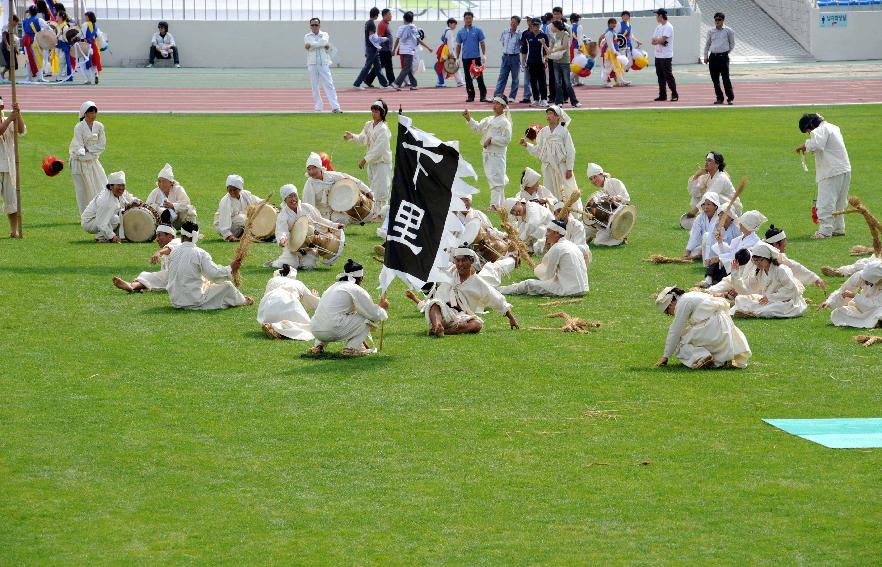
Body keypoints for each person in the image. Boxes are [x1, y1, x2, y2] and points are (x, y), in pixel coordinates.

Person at [408, 246, 519, 337]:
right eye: (457, 260)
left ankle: (442, 331)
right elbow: (432, 261)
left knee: (477, 324)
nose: (460, 264)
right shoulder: (449, 270)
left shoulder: (478, 282)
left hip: (461, 317)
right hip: (443, 311)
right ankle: (437, 325)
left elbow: (496, 299)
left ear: (471, 261)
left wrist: (512, 318)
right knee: (435, 304)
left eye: (463, 260)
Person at [655, 286, 751, 369]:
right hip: (723, 327)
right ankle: (721, 359)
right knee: (688, 333)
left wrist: (666, 356)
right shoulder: (692, 295)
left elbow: (675, 330)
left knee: (679, 342)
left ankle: (701, 357)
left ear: (670, 304)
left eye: (667, 312)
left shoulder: (683, 302)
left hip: (712, 327)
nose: (670, 315)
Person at [308, 259, 389, 357]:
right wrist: (382, 309)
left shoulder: (332, 287)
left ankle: (319, 346)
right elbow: (372, 314)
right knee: (367, 320)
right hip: (332, 329)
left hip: (315, 329)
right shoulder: (356, 289)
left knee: (327, 316)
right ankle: (350, 348)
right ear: (360, 278)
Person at [166, 221, 252, 310]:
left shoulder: (174, 252)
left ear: (182, 237)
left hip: (175, 300)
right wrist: (230, 268)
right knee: (227, 286)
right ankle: (242, 300)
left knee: (206, 281)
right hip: (193, 300)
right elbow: (214, 275)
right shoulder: (200, 253)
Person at [796, 113, 851, 239]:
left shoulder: (820, 130)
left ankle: (825, 231)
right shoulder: (833, 127)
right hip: (844, 168)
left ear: (811, 125)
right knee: (840, 201)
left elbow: (817, 144)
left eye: (808, 130)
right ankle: (839, 228)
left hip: (831, 171)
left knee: (826, 202)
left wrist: (805, 146)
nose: (809, 133)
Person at [500, 220, 588, 296]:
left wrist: (538, 269)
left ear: (557, 233)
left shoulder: (557, 248)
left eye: (549, 231)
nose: (546, 234)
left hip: (570, 290)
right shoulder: (572, 245)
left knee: (528, 283)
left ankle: (499, 290)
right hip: (583, 288)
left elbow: (548, 276)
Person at [519, 106, 579, 209]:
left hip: (561, 168)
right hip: (547, 168)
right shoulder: (543, 132)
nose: (548, 116)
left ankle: (569, 214)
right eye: (548, 113)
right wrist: (527, 145)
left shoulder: (563, 132)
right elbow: (539, 150)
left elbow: (570, 151)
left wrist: (569, 168)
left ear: (557, 117)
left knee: (565, 192)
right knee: (550, 193)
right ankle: (553, 214)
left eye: (551, 113)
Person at [729, 242, 807, 319]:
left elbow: (793, 290)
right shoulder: (759, 272)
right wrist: (735, 274)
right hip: (768, 300)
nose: (757, 263)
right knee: (740, 299)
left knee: (768, 310)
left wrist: (770, 297)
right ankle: (752, 311)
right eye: (755, 260)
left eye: (760, 260)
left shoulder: (781, 270)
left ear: (767, 258)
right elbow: (746, 290)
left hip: (787, 302)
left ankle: (752, 312)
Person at [270, 183, 337, 269]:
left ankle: (303, 259)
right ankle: (274, 263)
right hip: (291, 245)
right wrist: (282, 239)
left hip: (308, 244)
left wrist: (335, 225)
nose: (293, 199)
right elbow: (282, 231)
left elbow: (319, 220)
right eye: (290, 196)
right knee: (291, 265)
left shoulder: (306, 208)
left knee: (309, 265)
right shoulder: (283, 215)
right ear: (284, 199)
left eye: (295, 195)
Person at [463, 96, 512, 211]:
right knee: (494, 179)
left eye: (498, 103)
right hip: (487, 154)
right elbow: (477, 128)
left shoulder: (505, 122)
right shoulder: (490, 119)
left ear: (503, 107)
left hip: (497, 155)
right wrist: (469, 119)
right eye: (494, 103)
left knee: (496, 180)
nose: (494, 105)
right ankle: (501, 204)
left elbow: (506, 139)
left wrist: (491, 140)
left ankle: (494, 205)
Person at [344, 100, 392, 216]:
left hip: (382, 162)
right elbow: (363, 139)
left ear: (382, 113)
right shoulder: (368, 125)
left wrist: (365, 159)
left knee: (382, 188)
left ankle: (382, 214)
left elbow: (379, 149)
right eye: (373, 110)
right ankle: (374, 212)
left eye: (376, 111)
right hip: (372, 162)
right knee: (373, 186)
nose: (373, 113)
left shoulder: (383, 130)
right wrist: (352, 136)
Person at [302, 152, 372, 225]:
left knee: (343, 219)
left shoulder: (331, 176)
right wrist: (313, 222)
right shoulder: (309, 184)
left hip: (335, 211)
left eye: (314, 168)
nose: (311, 171)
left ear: (319, 167)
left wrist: (367, 190)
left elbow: (351, 179)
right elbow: (308, 207)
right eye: (309, 169)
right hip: (320, 215)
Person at [258, 264, 321, 340]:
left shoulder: (272, 280)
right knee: (308, 328)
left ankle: (272, 325)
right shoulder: (298, 283)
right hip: (288, 302)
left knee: (285, 319)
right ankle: (276, 326)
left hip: (268, 310)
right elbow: (315, 304)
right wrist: (316, 297)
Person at [112, 224, 180, 293]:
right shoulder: (166, 252)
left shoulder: (177, 241)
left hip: (180, 278)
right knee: (150, 276)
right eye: (156, 236)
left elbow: (170, 248)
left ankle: (133, 286)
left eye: (159, 235)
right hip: (174, 278)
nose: (157, 239)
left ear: (169, 236)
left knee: (156, 276)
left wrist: (159, 252)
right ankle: (132, 286)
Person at [69, 101, 107, 215]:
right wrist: (84, 150)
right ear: (85, 114)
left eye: (95, 111)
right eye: (91, 111)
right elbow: (79, 147)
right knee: (82, 190)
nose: (94, 114)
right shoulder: (79, 127)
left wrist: (88, 149)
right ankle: (84, 215)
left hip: (93, 161)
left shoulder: (99, 126)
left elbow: (101, 145)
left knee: (101, 183)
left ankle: (100, 211)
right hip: (78, 163)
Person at [819, 261, 882, 328]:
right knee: (838, 313)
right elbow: (843, 290)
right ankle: (874, 322)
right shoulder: (860, 276)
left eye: (869, 283)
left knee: (879, 312)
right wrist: (829, 302)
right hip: (863, 308)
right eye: (865, 281)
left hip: (876, 308)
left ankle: (876, 321)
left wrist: (855, 296)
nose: (866, 283)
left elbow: (875, 304)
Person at [764, 225, 826, 289]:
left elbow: (794, 266)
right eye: (784, 243)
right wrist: (815, 279)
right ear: (775, 244)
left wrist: (814, 278)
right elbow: (793, 266)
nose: (786, 244)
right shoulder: (767, 256)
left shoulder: (771, 253)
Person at [80, 171, 137, 242]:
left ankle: (109, 235)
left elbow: (130, 198)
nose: (121, 188)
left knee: (118, 216)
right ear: (111, 186)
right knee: (115, 219)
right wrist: (112, 237)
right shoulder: (106, 201)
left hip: (100, 219)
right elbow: (101, 223)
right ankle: (101, 237)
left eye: (123, 185)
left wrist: (138, 202)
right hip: (90, 222)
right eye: (119, 185)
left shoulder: (121, 192)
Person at [584, 162, 631, 247]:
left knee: (598, 242)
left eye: (595, 177)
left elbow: (626, 198)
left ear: (601, 174)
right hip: (606, 221)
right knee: (583, 229)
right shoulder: (600, 192)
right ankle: (593, 234)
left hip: (618, 218)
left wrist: (615, 198)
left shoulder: (614, 182)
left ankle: (620, 239)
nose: (593, 181)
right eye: (591, 179)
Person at [684, 192, 738, 262]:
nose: (705, 207)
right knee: (694, 251)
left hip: (721, 246)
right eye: (703, 204)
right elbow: (695, 234)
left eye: (708, 204)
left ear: (715, 206)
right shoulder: (700, 217)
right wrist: (688, 251)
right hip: (707, 245)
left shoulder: (720, 219)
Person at [685, 152, 741, 220]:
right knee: (698, 195)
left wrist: (691, 214)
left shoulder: (721, 177)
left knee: (710, 197)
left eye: (709, 161)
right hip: (720, 209)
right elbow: (694, 193)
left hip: (732, 209)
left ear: (717, 164)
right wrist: (696, 176)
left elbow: (709, 197)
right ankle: (704, 219)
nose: (706, 163)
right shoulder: (706, 176)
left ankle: (704, 219)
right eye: (706, 160)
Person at [712, 209, 767, 277]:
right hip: (732, 263)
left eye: (743, 223)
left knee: (724, 262)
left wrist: (720, 258)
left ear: (749, 227)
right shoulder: (737, 240)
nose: (739, 224)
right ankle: (708, 279)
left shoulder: (754, 241)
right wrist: (720, 242)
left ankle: (713, 281)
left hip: (742, 269)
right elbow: (730, 253)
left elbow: (738, 257)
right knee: (717, 263)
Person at [0, 99, 26, 238]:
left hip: (9, 167)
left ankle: (14, 231)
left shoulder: (8, 120)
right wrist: (10, 118)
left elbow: (21, 130)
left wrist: (18, 114)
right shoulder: (8, 120)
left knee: (12, 202)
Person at [305, 18, 341, 113]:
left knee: (329, 84)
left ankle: (335, 107)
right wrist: (321, 44)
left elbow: (323, 42)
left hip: (324, 63)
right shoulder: (307, 36)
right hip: (312, 64)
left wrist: (312, 45)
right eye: (312, 25)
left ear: (319, 26)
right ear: (310, 26)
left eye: (316, 25)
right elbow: (322, 43)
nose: (314, 27)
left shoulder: (325, 34)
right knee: (314, 86)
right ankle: (318, 107)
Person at [213, 174, 260, 241]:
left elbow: (257, 201)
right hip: (223, 225)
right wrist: (229, 236)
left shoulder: (245, 194)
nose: (232, 192)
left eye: (234, 190)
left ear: (240, 189)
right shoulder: (226, 201)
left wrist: (268, 204)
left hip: (237, 223)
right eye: (230, 190)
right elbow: (224, 219)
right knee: (243, 218)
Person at [455, 11, 487, 102]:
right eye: (466, 18)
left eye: (470, 18)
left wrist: (484, 55)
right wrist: (457, 58)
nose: (468, 20)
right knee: (468, 78)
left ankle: (483, 96)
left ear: (472, 19)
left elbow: (482, 43)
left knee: (479, 77)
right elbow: (458, 45)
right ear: (464, 19)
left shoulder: (478, 30)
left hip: (476, 58)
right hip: (465, 59)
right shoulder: (461, 32)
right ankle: (470, 96)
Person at [353, 8, 388, 89]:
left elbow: (367, 38)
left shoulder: (367, 23)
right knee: (367, 67)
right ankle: (357, 83)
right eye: (378, 14)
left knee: (378, 66)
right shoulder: (371, 24)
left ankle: (384, 84)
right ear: (376, 15)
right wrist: (383, 39)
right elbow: (372, 38)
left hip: (371, 49)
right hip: (372, 49)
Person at [547, 20, 580, 107]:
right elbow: (550, 49)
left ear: (556, 27)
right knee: (557, 83)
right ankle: (559, 102)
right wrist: (543, 44)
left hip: (564, 61)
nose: (551, 28)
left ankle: (575, 102)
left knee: (567, 83)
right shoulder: (553, 36)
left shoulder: (565, 34)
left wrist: (553, 50)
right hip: (556, 61)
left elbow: (564, 46)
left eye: (552, 26)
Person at [704, 13, 734, 105]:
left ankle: (730, 98)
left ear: (723, 20)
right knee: (715, 80)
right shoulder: (711, 31)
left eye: (719, 19)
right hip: (713, 57)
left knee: (725, 79)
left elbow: (732, 44)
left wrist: (725, 53)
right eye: (716, 19)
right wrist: (705, 56)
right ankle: (719, 98)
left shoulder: (728, 31)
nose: (717, 21)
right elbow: (707, 44)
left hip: (723, 57)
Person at [520, 18, 548, 107]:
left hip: (540, 62)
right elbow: (524, 50)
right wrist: (523, 63)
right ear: (531, 25)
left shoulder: (544, 36)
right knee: (532, 81)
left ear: (540, 25)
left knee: (542, 81)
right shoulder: (527, 35)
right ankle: (535, 99)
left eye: (537, 25)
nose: (536, 27)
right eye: (534, 25)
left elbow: (547, 50)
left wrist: (545, 60)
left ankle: (543, 99)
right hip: (530, 62)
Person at [651, 8, 678, 102]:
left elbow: (662, 40)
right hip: (658, 55)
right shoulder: (658, 27)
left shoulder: (668, 26)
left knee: (668, 75)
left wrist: (660, 41)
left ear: (661, 16)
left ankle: (674, 94)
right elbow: (653, 41)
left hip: (666, 56)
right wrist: (661, 41)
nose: (656, 17)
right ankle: (662, 95)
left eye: (657, 15)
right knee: (660, 76)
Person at [494, 16, 522, 101]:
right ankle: (497, 96)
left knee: (515, 78)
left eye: (515, 22)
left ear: (518, 24)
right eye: (512, 21)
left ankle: (512, 97)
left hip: (515, 57)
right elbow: (503, 43)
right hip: (505, 57)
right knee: (502, 77)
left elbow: (521, 45)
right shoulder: (505, 32)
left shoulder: (520, 34)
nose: (513, 23)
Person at [435, 17, 465, 88]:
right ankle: (460, 81)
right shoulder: (449, 31)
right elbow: (450, 43)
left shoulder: (445, 30)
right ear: (450, 24)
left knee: (444, 67)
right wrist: (452, 54)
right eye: (454, 24)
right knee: (454, 66)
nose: (455, 26)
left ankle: (440, 82)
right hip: (448, 51)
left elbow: (443, 39)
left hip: (444, 51)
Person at [600, 18, 628, 88]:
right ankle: (605, 82)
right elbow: (610, 44)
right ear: (608, 24)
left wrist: (616, 51)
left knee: (617, 67)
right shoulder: (609, 32)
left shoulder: (613, 32)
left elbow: (610, 42)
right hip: (610, 52)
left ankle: (622, 81)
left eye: (614, 23)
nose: (613, 24)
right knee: (608, 68)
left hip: (613, 51)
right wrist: (615, 52)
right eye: (612, 23)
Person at [21, 6, 46, 82]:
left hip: (27, 41)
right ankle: (40, 77)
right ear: (37, 12)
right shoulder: (39, 20)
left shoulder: (24, 21)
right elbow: (47, 29)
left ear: (29, 12)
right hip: (36, 42)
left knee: (28, 60)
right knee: (39, 59)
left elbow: (23, 33)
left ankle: (29, 77)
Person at [372, 9, 396, 86]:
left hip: (386, 49)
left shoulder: (386, 24)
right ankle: (392, 81)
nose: (391, 16)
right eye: (389, 14)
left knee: (379, 66)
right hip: (384, 50)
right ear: (385, 15)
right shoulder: (382, 24)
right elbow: (380, 38)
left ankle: (368, 79)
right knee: (389, 67)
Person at [53, 5, 77, 81]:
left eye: (57, 15)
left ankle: (62, 77)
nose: (56, 17)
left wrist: (59, 36)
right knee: (60, 61)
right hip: (58, 45)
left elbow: (66, 38)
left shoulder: (65, 26)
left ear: (60, 17)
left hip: (64, 46)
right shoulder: (58, 25)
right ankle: (61, 76)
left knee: (62, 61)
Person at [83, 11, 102, 84]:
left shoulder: (85, 24)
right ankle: (96, 74)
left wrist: (75, 37)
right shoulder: (95, 26)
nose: (85, 17)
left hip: (87, 45)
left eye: (86, 16)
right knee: (94, 62)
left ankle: (88, 79)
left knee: (86, 62)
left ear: (88, 17)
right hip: (94, 45)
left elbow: (81, 34)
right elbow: (99, 36)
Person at [1, 15, 21, 82]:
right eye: (16, 22)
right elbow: (4, 36)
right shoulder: (6, 26)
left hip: (11, 46)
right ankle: (2, 73)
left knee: (13, 63)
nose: (16, 24)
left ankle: (10, 78)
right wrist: (7, 45)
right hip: (6, 46)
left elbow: (13, 40)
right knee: (10, 63)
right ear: (13, 21)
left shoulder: (12, 28)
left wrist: (16, 50)